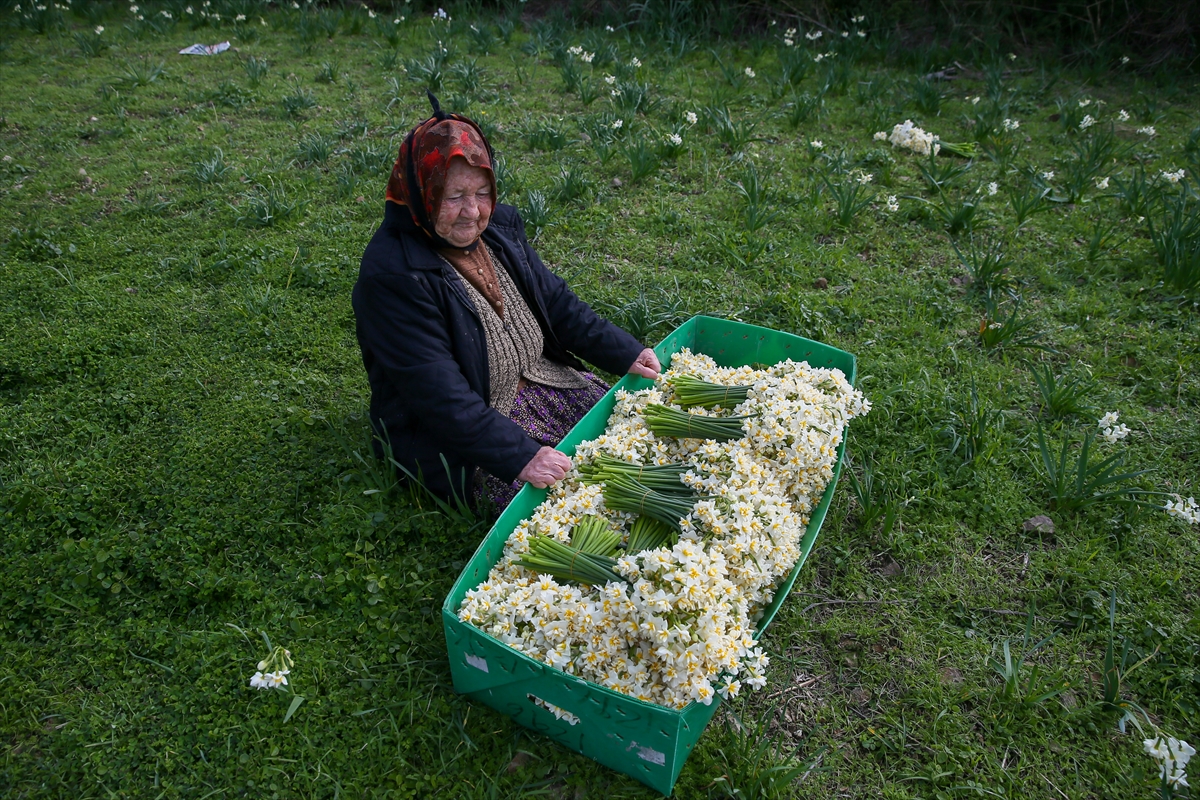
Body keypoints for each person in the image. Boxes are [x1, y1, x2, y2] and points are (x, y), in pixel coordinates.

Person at [352, 94, 661, 512]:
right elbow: (438, 394)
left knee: (640, 439)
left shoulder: (499, 227)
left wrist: (625, 352)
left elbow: (555, 301)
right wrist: (521, 457)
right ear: (421, 192)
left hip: (544, 379)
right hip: (468, 430)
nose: (473, 212)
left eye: (482, 191)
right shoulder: (393, 277)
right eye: (453, 196)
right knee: (572, 507)